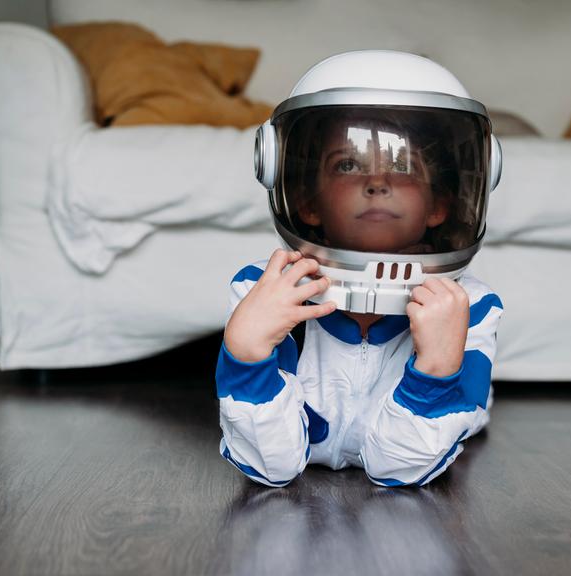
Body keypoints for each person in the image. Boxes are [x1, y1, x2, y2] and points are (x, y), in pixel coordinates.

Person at [216, 50, 504, 487]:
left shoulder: (469, 307)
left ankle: (469, 406)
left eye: (402, 166)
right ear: (308, 202)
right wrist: (246, 353)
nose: (377, 182)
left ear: (439, 205)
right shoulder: (266, 290)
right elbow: (269, 466)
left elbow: (398, 471)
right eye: (347, 165)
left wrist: (438, 369)